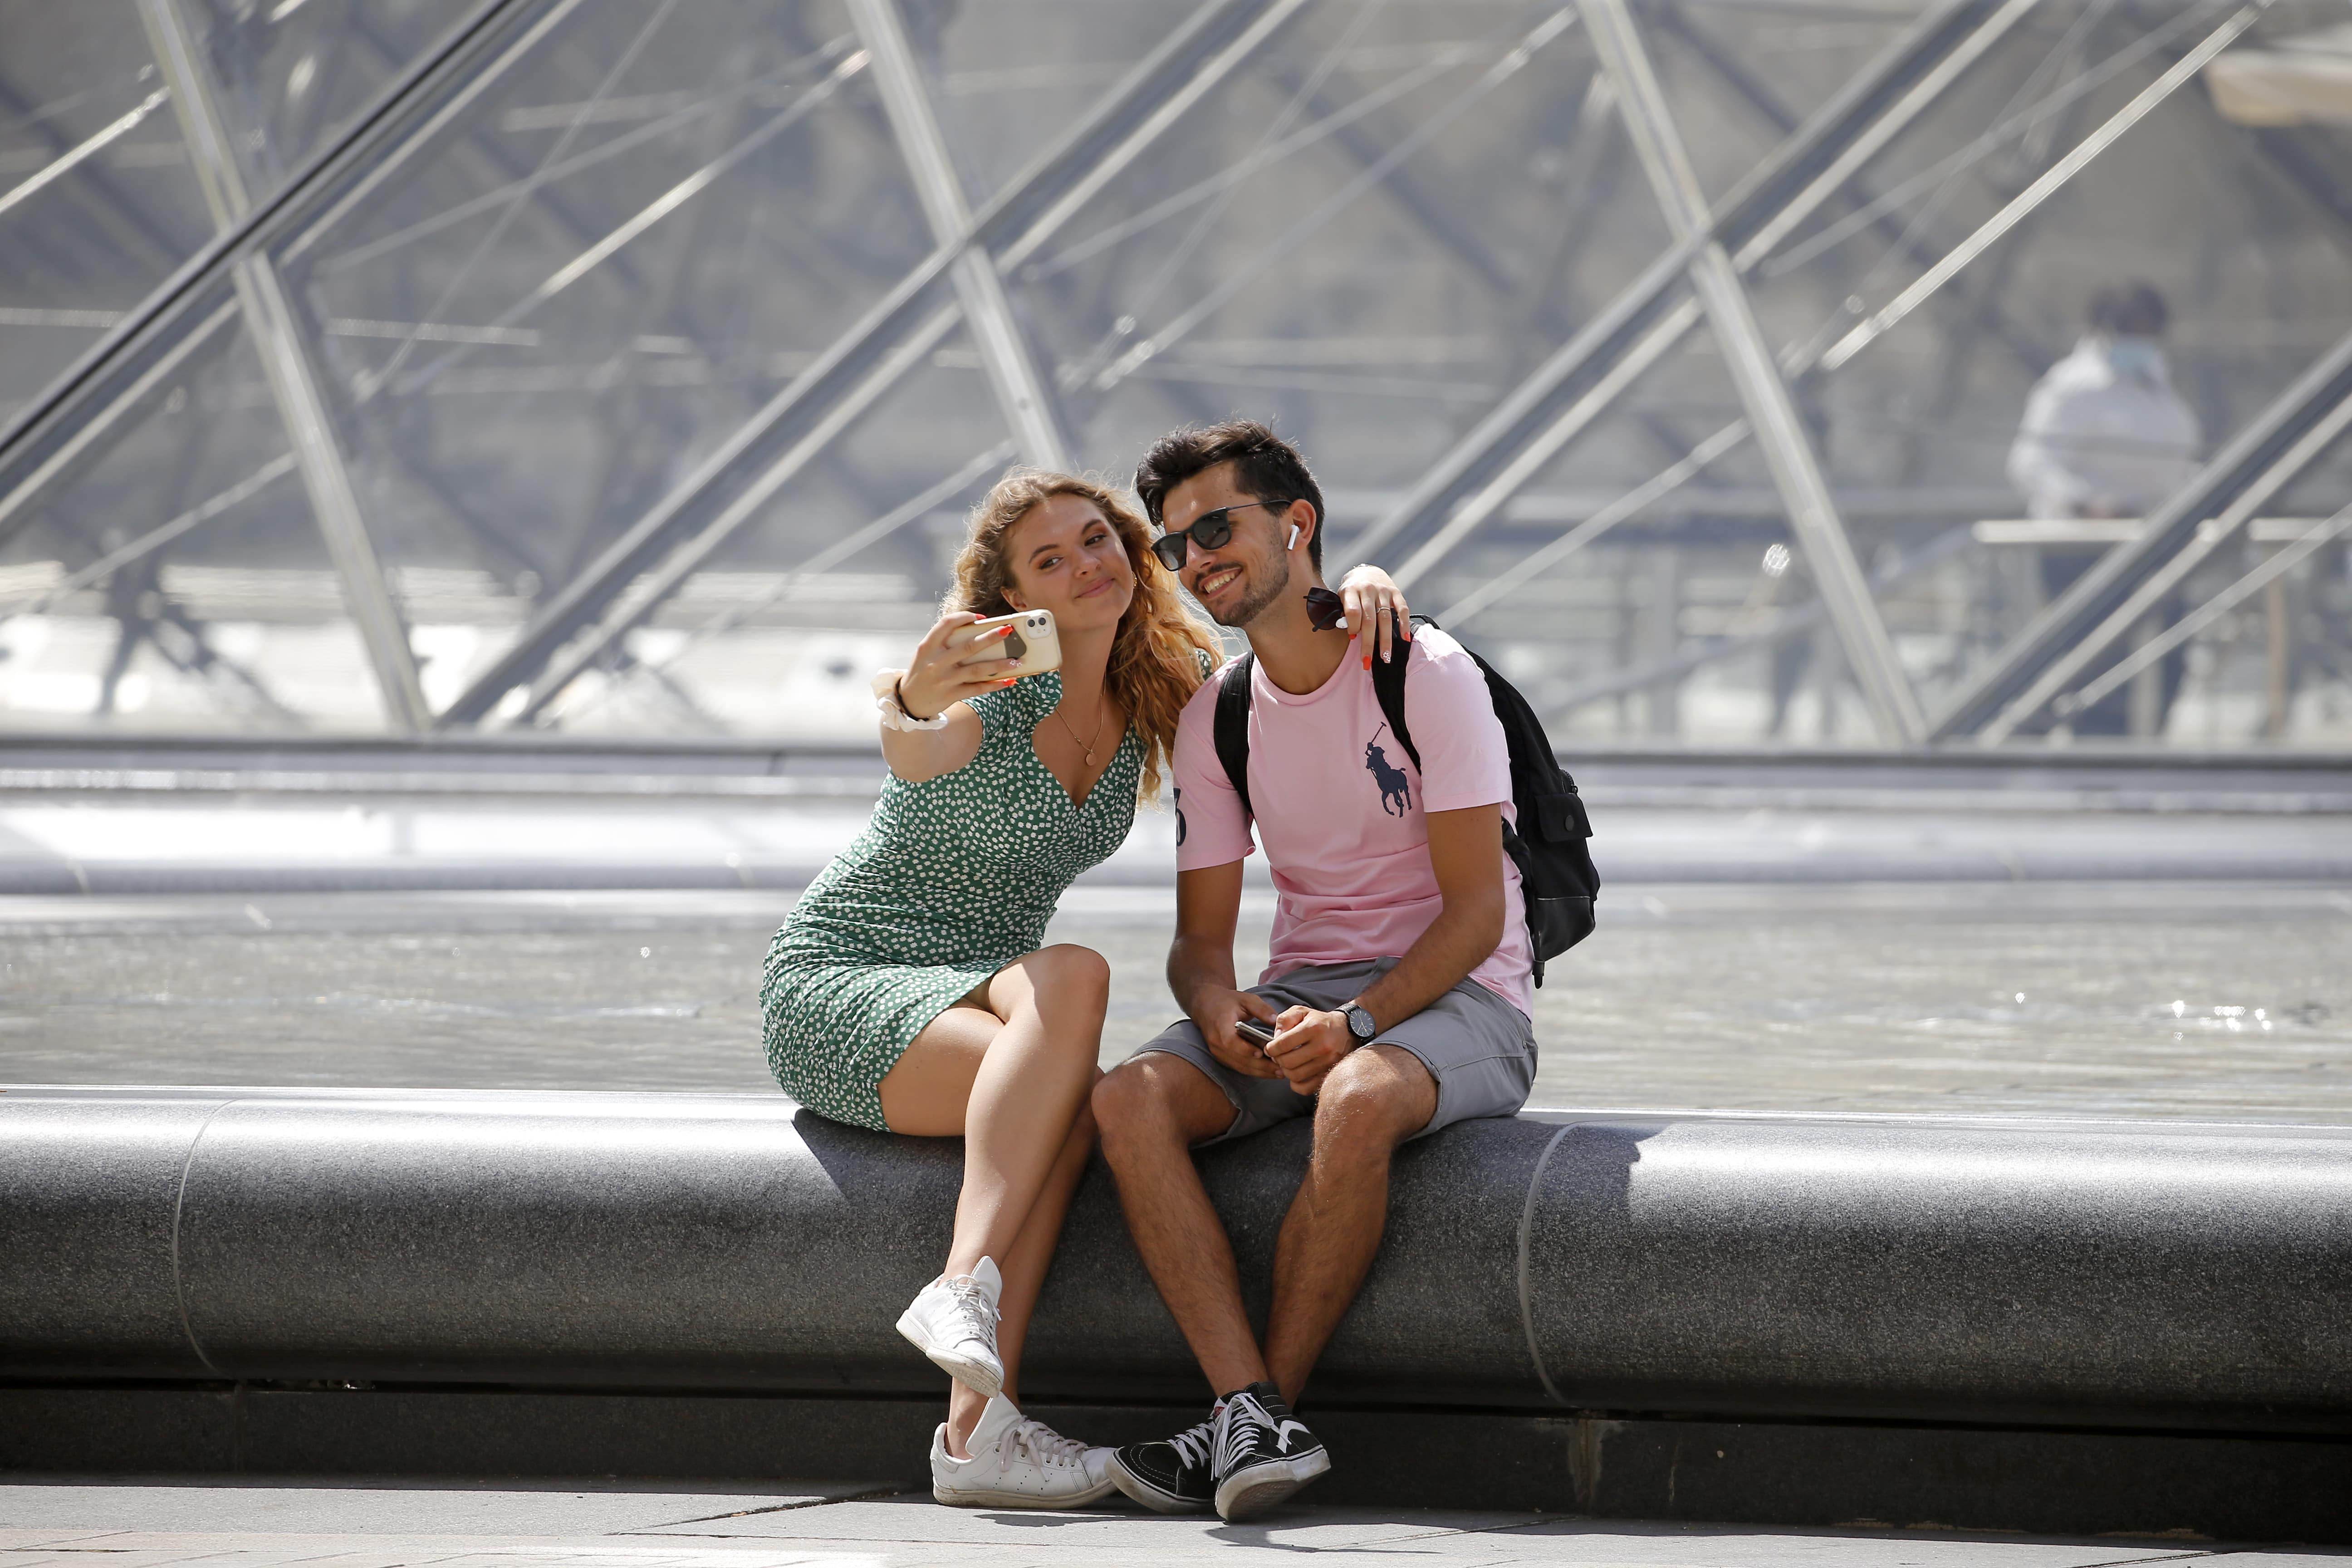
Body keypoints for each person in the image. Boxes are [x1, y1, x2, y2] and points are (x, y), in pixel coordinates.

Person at [757, 466, 1411, 1509]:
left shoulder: (1160, 689)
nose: (1084, 566)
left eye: (1097, 540)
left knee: (1065, 1107)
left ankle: (974, 1436)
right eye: (1049, 560)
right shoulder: (992, 688)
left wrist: (1361, 585)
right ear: (1015, 595)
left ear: (1132, 552)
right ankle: (962, 1290)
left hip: (985, 992)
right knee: (1077, 975)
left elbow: (1297, 667)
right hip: (849, 976)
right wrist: (910, 697)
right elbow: (918, 744)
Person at [1088, 421, 1538, 1522]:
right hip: (1305, 994)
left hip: (1465, 996)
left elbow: (1478, 915)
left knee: (1357, 1096)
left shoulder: (1424, 671)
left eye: (1216, 527)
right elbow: (1199, 946)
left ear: (1298, 524)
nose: (1195, 560)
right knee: (1126, 1098)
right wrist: (1218, 1009)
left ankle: (1261, 1412)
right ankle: (1250, 1411)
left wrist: (1358, 1025)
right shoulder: (1219, 714)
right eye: (1175, 544)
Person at [2006, 280, 2201, 735]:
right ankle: (2094, 753)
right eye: (2132, 329)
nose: (2141, 340)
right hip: (2080, 551)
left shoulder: (2157, 387)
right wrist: (2084, 503)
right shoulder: (2071, 388)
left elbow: (2177, 464)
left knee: (2166, 661)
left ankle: (2144, 747)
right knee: (2094, 667)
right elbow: (2031, 463)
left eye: (2149, 331)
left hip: (2150, 546)